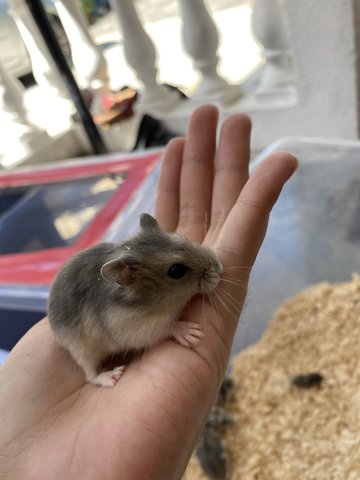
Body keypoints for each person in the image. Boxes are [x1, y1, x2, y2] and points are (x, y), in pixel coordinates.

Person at [0, 105, 297, 479]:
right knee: (91, 353)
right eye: (177, 271)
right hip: (74, 321)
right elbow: (128, 334)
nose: (212, 267)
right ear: (130, 279)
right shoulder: (129, 308)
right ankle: (93, 374)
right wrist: (171, 329)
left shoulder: (147, 266)